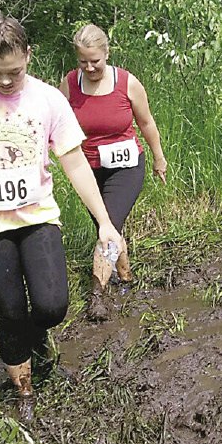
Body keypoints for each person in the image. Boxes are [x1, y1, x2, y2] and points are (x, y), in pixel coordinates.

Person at [0, 14, 125, 420]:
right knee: (10, 311)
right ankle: (25, 392)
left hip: (37, 217)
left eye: (14, 72)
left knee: (52, 307)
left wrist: (104, 221)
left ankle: (34, 343)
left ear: (28, 56)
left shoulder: (48, 99)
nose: (4, 81)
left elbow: (74, 162)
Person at [58, 24, 168, 322]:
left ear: (107, 53)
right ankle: (126, 275)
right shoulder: (69, 84)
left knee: (110, 224)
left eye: (96, 60)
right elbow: (58, 125)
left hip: (127, 166)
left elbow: (146, 123)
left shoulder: (128, 83)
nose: (90, 67)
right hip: (88, 169)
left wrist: (159, 158)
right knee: (108, 227)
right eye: (83, 62)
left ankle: (98, 293)